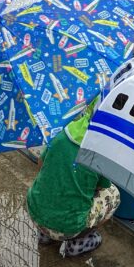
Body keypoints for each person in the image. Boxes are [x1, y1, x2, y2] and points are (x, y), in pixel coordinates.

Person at [26, 103, 120, 257]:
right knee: (113, 194)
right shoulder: (101, 151)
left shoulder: (63, 132)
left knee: (51, 181)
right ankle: (77, 243)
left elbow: (41, 163)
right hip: (68, 227)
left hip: (35, 212)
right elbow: (103, 186)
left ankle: (45, 235)